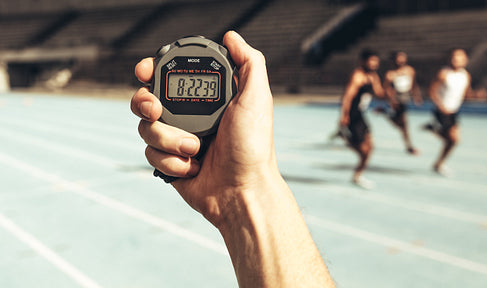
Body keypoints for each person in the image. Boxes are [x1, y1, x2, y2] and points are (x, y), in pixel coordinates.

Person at [130, 31, 336, 288]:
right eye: (183, 85)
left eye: (202, 87)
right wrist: (239, 197)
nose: (194, 91)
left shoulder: (173, 62)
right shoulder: (215, 62)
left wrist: (244, 189)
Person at [425, 48, 487, 175]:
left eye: (460, 58)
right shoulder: (444, 73)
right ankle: (435, 133)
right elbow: (432, 91)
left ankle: (439, 162)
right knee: (454, 139)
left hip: (454, 111)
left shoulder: (465, 75)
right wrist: (441, 106)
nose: (457, 60)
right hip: (442, 111)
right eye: (454, 57)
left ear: (465, 60)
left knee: (452, 141)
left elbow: (467, 95)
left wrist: (476, 96)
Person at [339, 49, 385, 189]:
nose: (374, 64)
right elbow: (348, 96)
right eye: (371, 61)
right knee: (365, 150)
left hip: (361, 114)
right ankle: (347, 139)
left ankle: (358, 175)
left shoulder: (373, 76)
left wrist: (391, 91)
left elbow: (379, 93)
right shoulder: (358, 76)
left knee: (370, 148)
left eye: (376, 61)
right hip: (353, 115)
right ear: (363, 61)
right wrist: (344, 115)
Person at [382, 51, 422, 155]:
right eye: (398, 59)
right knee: (403, 124)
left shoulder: (410, 70)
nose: (401, 61)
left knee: (400, 124)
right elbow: (386, 88)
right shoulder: (390, 74)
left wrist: (417, 96)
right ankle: (409, 146)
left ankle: (385, 113)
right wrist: (391, 100)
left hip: (406, 99)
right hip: (396, 100)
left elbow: (414, 84)